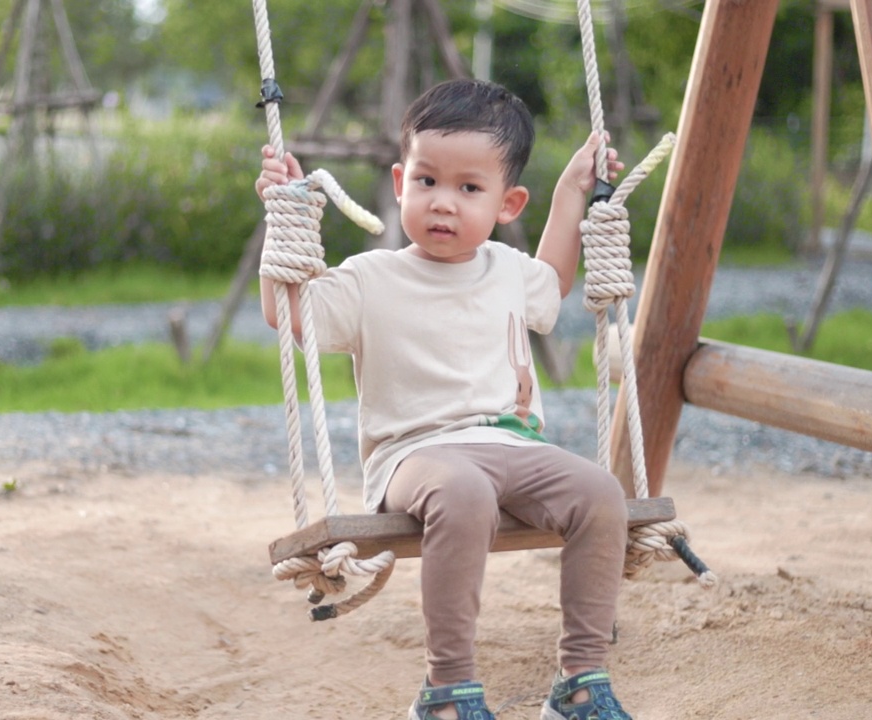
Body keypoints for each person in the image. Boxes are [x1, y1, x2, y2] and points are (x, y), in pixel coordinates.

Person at [255, 78, 633, 720]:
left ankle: (579, 678)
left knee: (602, 493)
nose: (443, 204)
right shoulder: (371, 278)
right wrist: (283, 220)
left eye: (469, 189)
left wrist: (574, 190)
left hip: (512, 445)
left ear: (507, 203)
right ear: (401, 183)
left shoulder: (510, 272)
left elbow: (555, 281)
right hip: (417, 456)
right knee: (463, 494)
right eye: (427, 182)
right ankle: (448, 690)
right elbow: (291, 315)